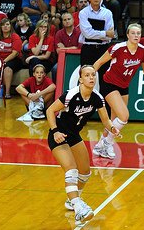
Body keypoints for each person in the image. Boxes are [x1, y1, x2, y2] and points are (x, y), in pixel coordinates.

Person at [46, 65, 120, 226]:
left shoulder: (97, 98)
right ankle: (78, 207)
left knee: (85, 172)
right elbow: (50, 111)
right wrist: (56, 131)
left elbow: (105, 120)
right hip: (58, 135)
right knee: (71, 170)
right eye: (87, 75)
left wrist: (112, 128)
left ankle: (71, 199)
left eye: (93, 75)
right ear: (80, 79)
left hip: (74, 136)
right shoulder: (70, 95)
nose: (91, 78)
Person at [92, 23, 144, 159]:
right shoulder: (118, 48)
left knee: (114, 120)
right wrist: (88, 78)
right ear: (127, 35)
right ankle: (107, 143)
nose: (136, 36)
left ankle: (100, 146)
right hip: (109, 84)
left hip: (124, 86)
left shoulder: (143, 51)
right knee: (124, 116)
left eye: (138, 33)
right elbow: (99, 62)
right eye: (133, 33)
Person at [79, 0, 115, 77]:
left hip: (103, 49)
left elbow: (110, 35)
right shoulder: (83, 13)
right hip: (88, 49)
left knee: (105, 78)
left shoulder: (107, 13)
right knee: (85, 77)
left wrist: (96, 33)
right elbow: (87, 33)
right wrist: (105, 33)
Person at [0, 18, 22, 98]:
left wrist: (3, 62)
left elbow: (14, 53)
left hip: (14, 59)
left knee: (7, 69)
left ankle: (7, 93)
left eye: (7, 24)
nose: (5, 26)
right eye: (3, 25)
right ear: (0, 27)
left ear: (10, 26)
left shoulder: (15, 37)